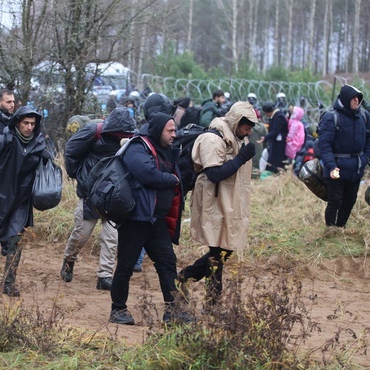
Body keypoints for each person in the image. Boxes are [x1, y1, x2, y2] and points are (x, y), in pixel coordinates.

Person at [109, 112, 193, 326]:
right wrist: (173, 179)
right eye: (170, 130)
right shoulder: (138, 147)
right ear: (158, 130)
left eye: (175, 130)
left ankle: (173, 310)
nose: (174, 134)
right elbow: (147, 174)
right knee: (126, 266)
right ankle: (118, 309)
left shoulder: (166, 151)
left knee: (167, 263)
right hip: (136, 219)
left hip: (156, 220)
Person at [178, 101, 257, 306]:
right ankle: (209, 297)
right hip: (212, 201)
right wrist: (241, 158)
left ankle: (185, 279)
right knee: (218, 250)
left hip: (228, 200)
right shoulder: (212, 139)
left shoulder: (235, 138)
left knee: (224, 248)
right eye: (246, 127)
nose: (248, 132)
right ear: (236, 122)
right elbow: (214, 174)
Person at [0, 106, 46, 297]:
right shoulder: (3, 140)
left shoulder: (38, 145)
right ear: (17, 123)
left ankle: (9, 282)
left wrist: (47, 161)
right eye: (25, 123)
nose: (29, 127)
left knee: (16, 238)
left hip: (21, 200)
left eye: (33, 124)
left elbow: (44, 171)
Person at [61, 107, 136, 290]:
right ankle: (69, 260)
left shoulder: (131, 139)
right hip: (90, 193)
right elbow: (71, 150)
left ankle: (105, 276)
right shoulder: (94, 131)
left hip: (114, 195)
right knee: (81, 234)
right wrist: (79, 176)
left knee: (111, 237)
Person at [318, 85, 370, 228]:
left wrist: (366, 158)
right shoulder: (331, 117)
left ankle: (341, 226)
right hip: (336, 166)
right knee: (335, 200)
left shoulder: (363, 116)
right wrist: (331, 166)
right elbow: (324, 144)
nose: (357, 100)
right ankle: (331, 229)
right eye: (353, 97)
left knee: (350, 200)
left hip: (356, 166)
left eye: (358, 98)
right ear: (346, 98)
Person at [258, 101, 288, 173]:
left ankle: (278, 172)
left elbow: (275, 131)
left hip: (279, 143)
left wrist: (265, 137)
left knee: (276, 160)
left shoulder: (279, 117)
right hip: (276, 142)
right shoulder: (275, 116)